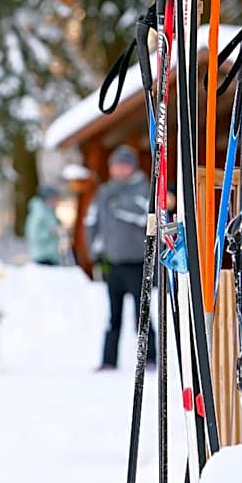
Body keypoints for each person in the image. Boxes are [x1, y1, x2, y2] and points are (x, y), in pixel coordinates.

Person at [84, 145, 156, 371]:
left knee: (142, 314)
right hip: (112, 263)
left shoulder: (143, 189)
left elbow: (148, 217)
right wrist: (95, 251)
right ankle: (109, 360)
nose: (118, 169)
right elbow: (92, 222)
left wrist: (121, 206)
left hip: (137, 263)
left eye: (123, 165)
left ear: (132, 167)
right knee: (113, 316)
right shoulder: (104, 192)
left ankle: (149, 358)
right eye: (115, 165)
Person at [25, 186, 63, 266]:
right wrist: (50, 233)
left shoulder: (50, 211)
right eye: (55, 199)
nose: (57, 202)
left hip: (52, 255)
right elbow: (33, 234)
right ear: (48, 199)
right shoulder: (38, 213)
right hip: (42, 256)